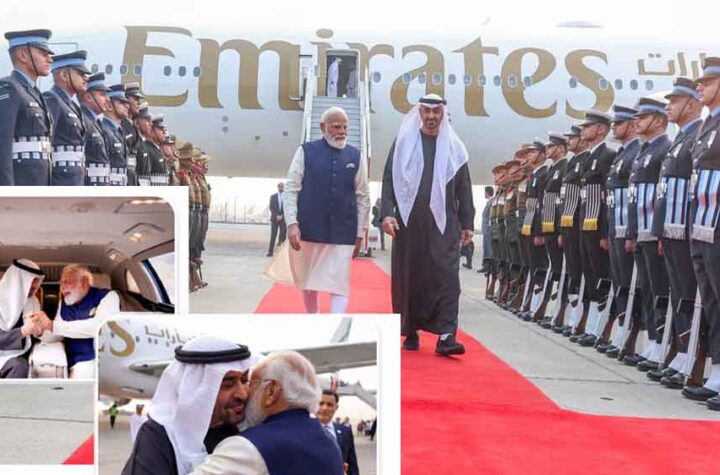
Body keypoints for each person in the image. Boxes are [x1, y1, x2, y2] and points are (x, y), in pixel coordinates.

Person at [381, 93, 475, 356]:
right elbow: (389, 179)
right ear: (419, 113)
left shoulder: (455, 148)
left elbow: (464, 187)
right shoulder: (404, 143)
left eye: (436, 112)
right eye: (427, 111)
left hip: (444, 224)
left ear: (443, 114)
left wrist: (467, 222)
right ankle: (410, 329)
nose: (432, 116)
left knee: (447, 278)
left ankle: (447, 335)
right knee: (410, 275)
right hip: (408, 223)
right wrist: (386, 213)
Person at [266, 107, 370, 314]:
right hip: (309, 229)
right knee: (309, 282)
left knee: (339, 283)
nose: (342, 132)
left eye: (345, 127)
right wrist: (292, 224)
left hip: (343, 230)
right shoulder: (306, 152)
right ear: (323, 127)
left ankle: (334, 324)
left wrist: (360, 232)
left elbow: (363, 197)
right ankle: (313, 318)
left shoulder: (355, 156)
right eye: (336, 127)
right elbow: (292, 189)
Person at [122, 336, 259, 475]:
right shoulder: (160, 436)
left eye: (244, 381)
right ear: (197, 388)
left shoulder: (243, 430)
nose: (243, 394)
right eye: (228, 384)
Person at [190, 351, 344, 475]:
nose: (245, 394)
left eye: (250, 383)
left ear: (271, 391)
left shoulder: (246, 447)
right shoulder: (329, 441)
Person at [651, 78, 704, 388]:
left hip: (687, 230)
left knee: (689, 295)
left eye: (675, 100)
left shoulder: (697, 135)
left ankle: (694, 354)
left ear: (692, 104)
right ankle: (683, 352)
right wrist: (660, 231)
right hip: (671, 230)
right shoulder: (680, 139)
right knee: (679, 293)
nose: (668, 106)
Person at [625, 99, 671, 367]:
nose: (637, 122)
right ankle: (653, 341)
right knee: (648, 289)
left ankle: (662, 344)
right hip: (641, 231)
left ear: (658, 120)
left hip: (654, 232)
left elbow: (663, 195)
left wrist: (660, 232)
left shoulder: (664, 148)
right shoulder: (645, 151)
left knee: (659, 290)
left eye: (642, 118)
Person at [685, 57, 720, 409]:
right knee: (712, 300)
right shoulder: (707, 125)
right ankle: (718, 372)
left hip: (718, 222)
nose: (700, 88)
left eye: (707, 82)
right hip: (704, 223)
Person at [599, 106, 642, 358]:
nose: (614, 127)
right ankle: (623, 332)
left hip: (626, 228)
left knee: (629, 283)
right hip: (615, 226)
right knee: (620, 283)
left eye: (619, 123)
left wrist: (629, 234)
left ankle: (633, 334)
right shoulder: (622, 154)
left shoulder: (635, 153)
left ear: (632, 126)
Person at [30, 264, 120, 379]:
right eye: (61, 283)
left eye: (67, 282)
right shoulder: (64, 303)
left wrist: (52, 325)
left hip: (96, 360)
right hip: (69, 360)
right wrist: (41, 332)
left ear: (84, 282)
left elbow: (100, 327)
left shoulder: (108, 297)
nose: (62, 287)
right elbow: (58, 335)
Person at [573, 110, 616, 346]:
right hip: (584, 225)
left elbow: (607, 198)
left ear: (601, 129)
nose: (583, 130)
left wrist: (604, 232)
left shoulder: (607, 156)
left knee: (600, 276)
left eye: (588, 126)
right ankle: (591, 326)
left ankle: (602, 326)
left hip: (597, 226)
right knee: (589, 274)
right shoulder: (588, 158)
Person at [0, 29, 54, 185]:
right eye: (43, 54)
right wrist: (7, 191)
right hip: (21, 186)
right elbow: (3, 145)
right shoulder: (9, 88)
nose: (50, 59)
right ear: (22, 55)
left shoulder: (35, 93)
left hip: (39, 183)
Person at [43, 50, 89, 186]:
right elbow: (47, 142)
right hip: (60, 180)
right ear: (64, 75)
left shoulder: (72, 105)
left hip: (74, 179)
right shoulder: (52, 100)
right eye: (80, 73)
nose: (86, 78)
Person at [0, 259, 44, 378]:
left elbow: (36, 335)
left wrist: (39, 332)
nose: (35, 288)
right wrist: (23, 331)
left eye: (36, 284)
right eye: (30, 283)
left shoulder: (33, 301)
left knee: (21, 365)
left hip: (19, 355)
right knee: (18, 365)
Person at [79, 73, 111, 185]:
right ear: (88, 97)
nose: (107, 99)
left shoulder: (96, 122)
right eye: (102, 95)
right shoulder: (83, 120)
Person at [317, 390, 359, 475]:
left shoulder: (345, 431)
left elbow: (352, 463)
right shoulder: (304, 431)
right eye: (321, 403)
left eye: (329, 405)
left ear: (336, 408)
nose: (324, 408)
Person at [103, 84, 130, 186]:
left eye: (127, 102)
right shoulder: (104, 130)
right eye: (122, 102)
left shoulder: (119, 131)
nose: (127, 106)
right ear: (109, 106)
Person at [122, 82, 145, 185]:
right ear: (126, 100)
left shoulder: (131, 126)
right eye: (135, 99)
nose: (139, 103)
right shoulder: (122, 125)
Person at [478, 186, 494, 273]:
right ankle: (486, 265)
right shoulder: (489, 202)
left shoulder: (491, 202)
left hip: (488, 228)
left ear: (487, 192)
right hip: (486, 229)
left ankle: (488, 266)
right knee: (486, 247)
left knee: (488, 248)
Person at [267, 182, 286, 257]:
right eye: (280, 187)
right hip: (274, 219)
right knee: (273, 236)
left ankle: (283, 254)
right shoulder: (273, 196)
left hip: (283, 220)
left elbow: (288, 207)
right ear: (278, 187)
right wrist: (276, 216)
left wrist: (282, 216)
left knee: (283, 237)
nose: (281, 188)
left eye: (282, 187)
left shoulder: (287, 197)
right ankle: (270, 252)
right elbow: (271, 207)